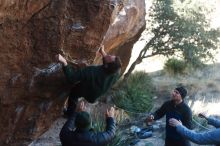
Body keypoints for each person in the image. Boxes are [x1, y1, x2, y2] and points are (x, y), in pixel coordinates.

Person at [57, 45, 122, 117]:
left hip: (89, 92)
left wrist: (64, 62)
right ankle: (73, 112)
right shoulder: (116, 72)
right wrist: (102, 52)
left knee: (74, 94)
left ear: (106, 66)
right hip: (96, 95)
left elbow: (72, 78)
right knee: (83, 87)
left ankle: (69, 114)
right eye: (111, 56)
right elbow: (108, 64)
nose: (109, 54)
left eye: (109, 57)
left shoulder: (92, 71)